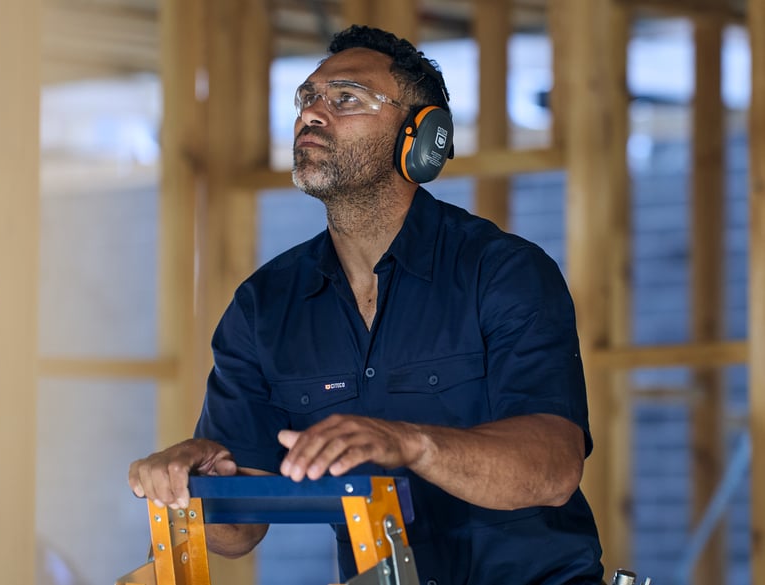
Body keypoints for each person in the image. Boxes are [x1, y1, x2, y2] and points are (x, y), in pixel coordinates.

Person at [129, 24, 604, 585]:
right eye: (307, 97)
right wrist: (190, 486)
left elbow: (552, 469)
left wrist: (409, 443)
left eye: (346, 98)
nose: (312, 113)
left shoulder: (502, 273)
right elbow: (238, 532)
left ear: (422, 139)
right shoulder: (265, 307)